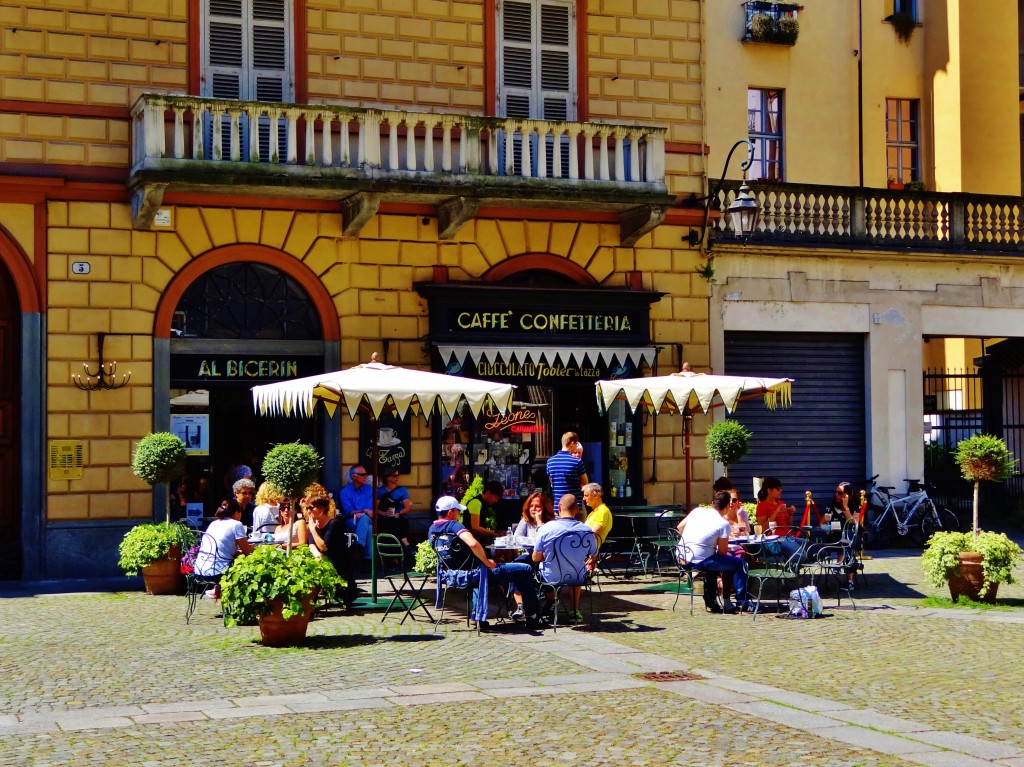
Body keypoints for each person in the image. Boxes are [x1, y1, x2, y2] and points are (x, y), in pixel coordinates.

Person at [429, 495, 546, 631]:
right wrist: (486, 561)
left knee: (478, 570)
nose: (459, 514)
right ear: (450, 512)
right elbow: (472, 543)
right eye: (458, 511)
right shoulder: (454, 525)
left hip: (453, 575)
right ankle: (533, 616)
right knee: (524, 569)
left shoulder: (432, 530)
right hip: (477, 574)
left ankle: (477, 617)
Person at [676, 490, 749, 614]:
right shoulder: (723, 524)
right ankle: (742, 602)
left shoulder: (697, 511)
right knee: (740, 564)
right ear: (727, 506)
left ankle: (712, 599)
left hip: (681, 557)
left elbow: (679, 527)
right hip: (700, 561)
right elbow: (722, 552)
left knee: (713, 561)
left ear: (712, 503)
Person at [532, 494, 598, 623]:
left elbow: (535, 558)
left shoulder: (546, 529)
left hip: (552, 576)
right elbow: (594, 555)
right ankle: (574, 610)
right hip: (577, 576)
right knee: (577, 568)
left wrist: (549, 555)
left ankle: (550, 603)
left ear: (559, 507)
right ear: (577, 509)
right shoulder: (586, 530)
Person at [306, 495, 359, 607]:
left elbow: (324, 546)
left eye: (312, 508)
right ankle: (310, 605)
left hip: (338, 562)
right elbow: (311, 544)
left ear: (322, 509)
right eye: (307, 508)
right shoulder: (313, 523)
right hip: (322, 559)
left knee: (313, 569)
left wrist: (312, 529)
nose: (308, 511)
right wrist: (317, 555)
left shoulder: (334, 524)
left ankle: (311, 604)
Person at [194, 498, 253, 579]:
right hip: (217, 572)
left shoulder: (213, 523)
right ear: (236, 513)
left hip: (199, 571)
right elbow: (247, 552)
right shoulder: (236, 524)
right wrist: (253, 547)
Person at [338, 465, 374, 565]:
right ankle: (368, 560)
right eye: (363, 475)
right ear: (354, 476)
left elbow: (370, 510)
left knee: (365, 518)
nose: (366, 476)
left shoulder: (370, 490)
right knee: (369, 528)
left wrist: (361, 512)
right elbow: (348, 511)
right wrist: (363, 511)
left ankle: (359, 545)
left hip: (368, 518)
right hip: (352, 521)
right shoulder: (344, 492)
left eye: (366, 474)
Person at [376, 469, 414, 559]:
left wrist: (398, 513)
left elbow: (407, 507)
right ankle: (407, 545)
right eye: (394, 476)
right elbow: (375, 509)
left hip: (400, 518)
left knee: (395, 524)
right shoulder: (380, 491)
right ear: (387, 477)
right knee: (391, 524)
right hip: (385, 519)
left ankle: (395, 559)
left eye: (398, 475)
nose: (397, 477)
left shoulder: (402, 490)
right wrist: (385, 513)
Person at [546, 432, 589, 506]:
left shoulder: (550, 462)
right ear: (572, 443)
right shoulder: (577, 462)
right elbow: (585, 484)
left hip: (558, 506)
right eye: (576, 444)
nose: (576, 446)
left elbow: (552, 483)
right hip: (574, 506)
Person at [581, 482, 613, 548]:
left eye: (586, 495)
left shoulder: (602, 511)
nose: (583, 499)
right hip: (583, 547)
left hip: (588, 550)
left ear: (595, 495)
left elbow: (592, 534)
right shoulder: (594, 512)